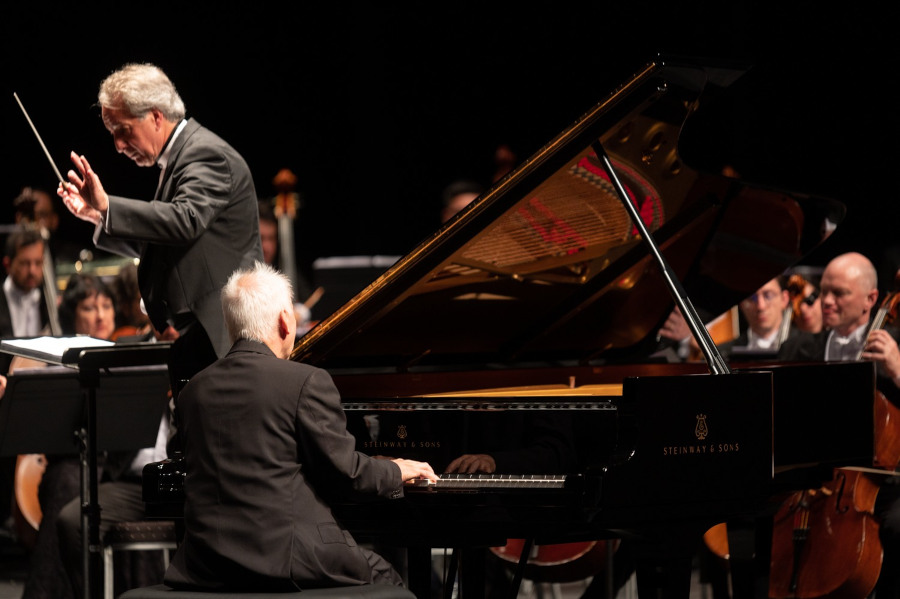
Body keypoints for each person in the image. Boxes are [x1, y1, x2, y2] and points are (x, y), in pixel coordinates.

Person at [164, 262, 437, 592]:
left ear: (230, 324)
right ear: (284, 320)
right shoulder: (305, 381)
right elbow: (347, 475)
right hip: (288, 560)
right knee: (388, 580)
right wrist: (396, 469)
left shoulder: (194, 389)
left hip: (207, 564)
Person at [56, 62, 262, 398]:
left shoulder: (206, 154)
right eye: (112, 134)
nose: (118, 145)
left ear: (155, 117)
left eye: (122, 130)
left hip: (222, 338)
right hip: (196, 337)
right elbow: (167, 244)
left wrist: (107, 205)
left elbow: (185, 220)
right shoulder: (182, 157)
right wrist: (97, 216)